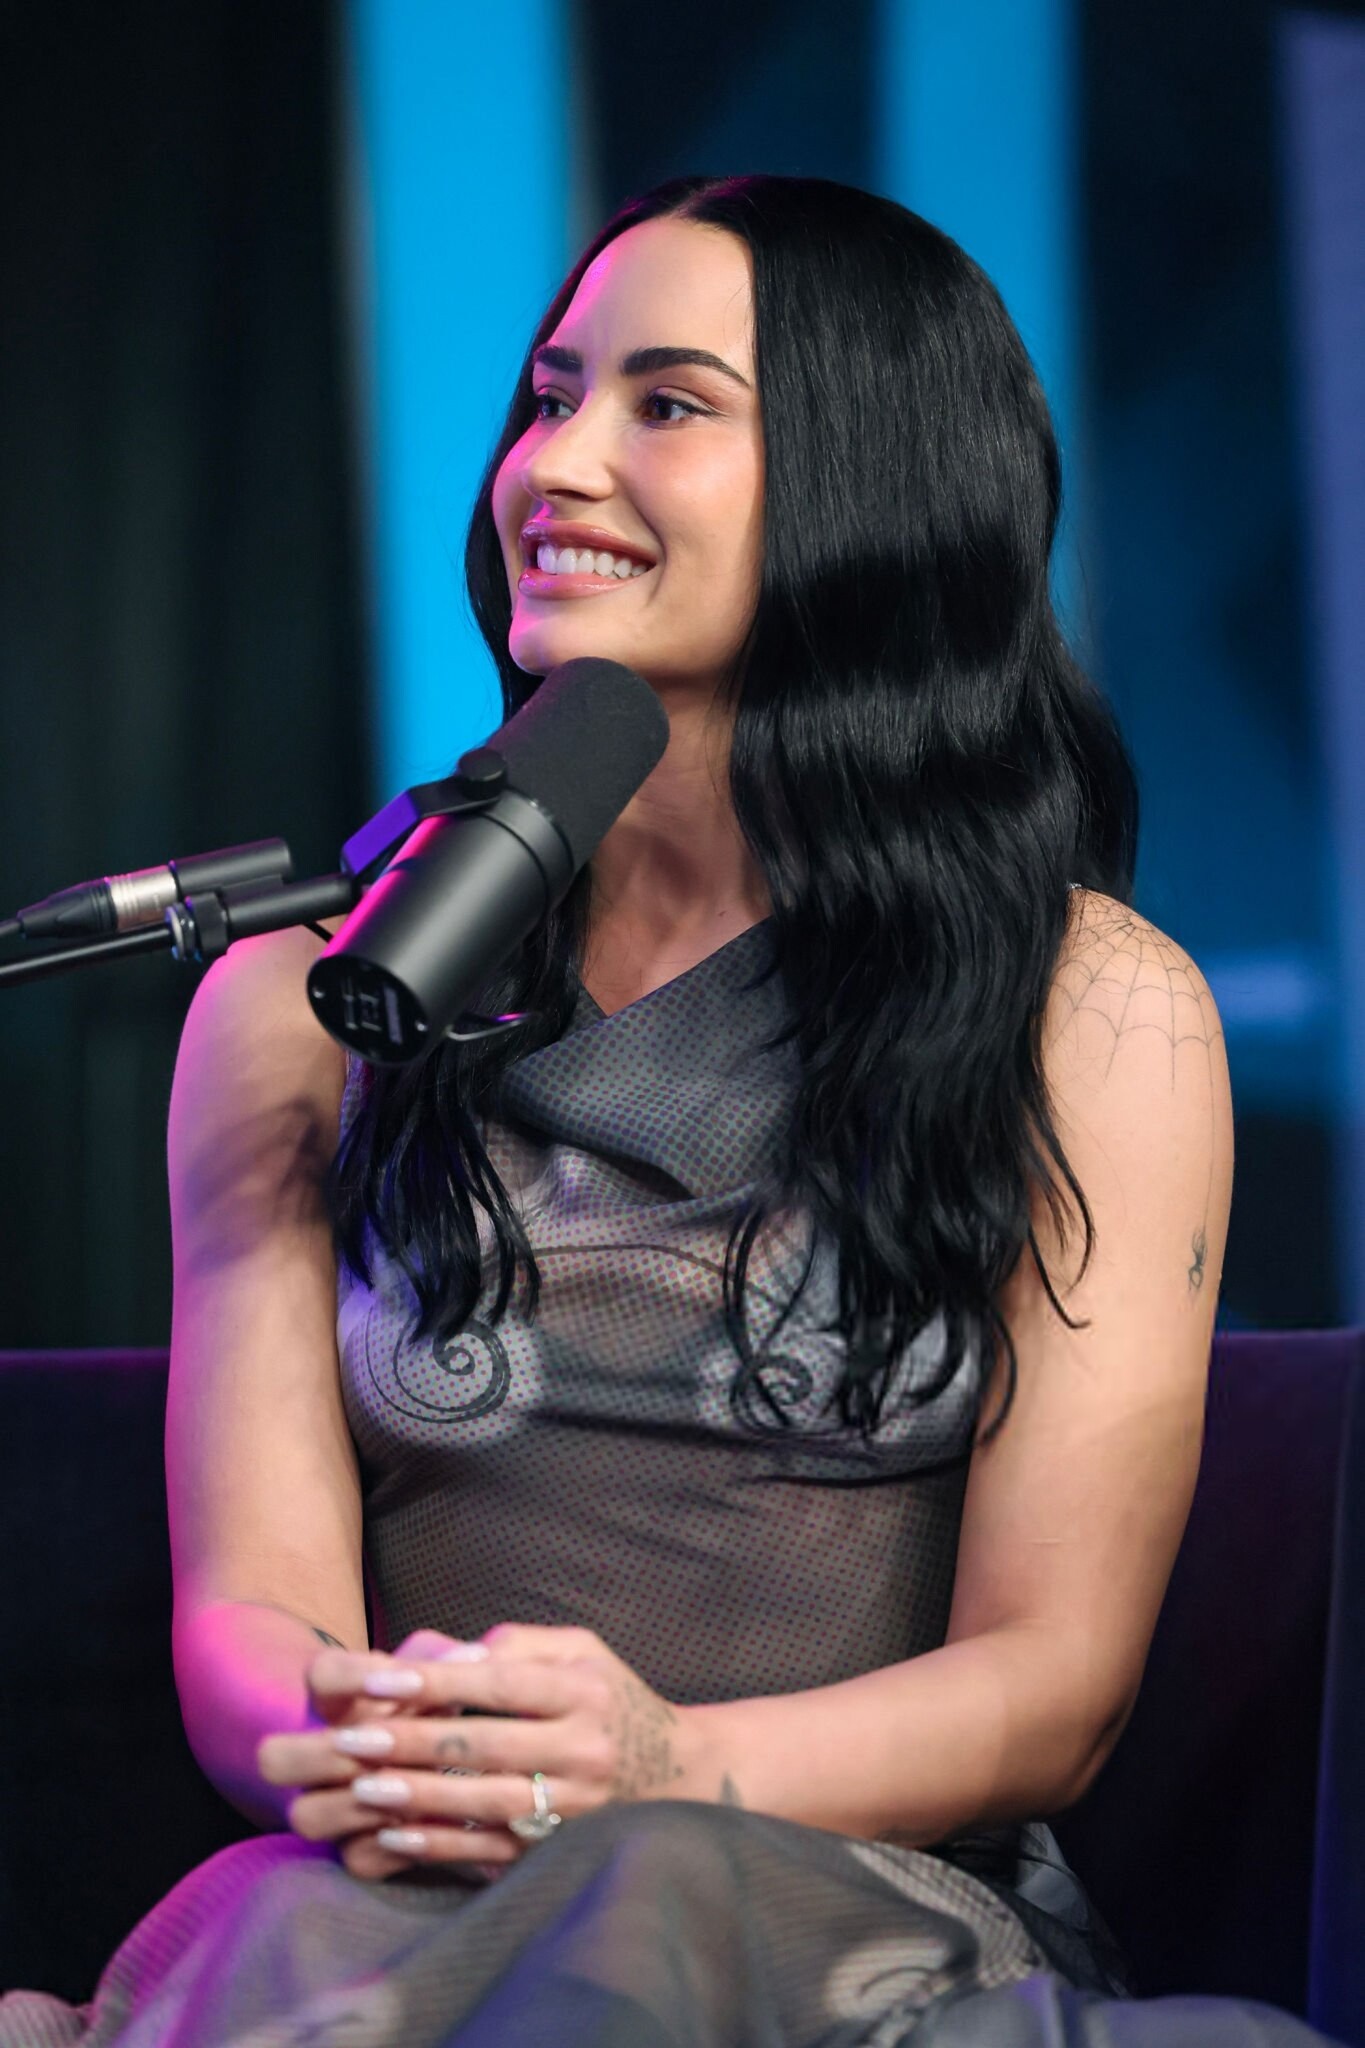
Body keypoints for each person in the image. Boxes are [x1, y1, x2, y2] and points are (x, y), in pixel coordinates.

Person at [0, 173, 1330, 2048]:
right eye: (551, 398)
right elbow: (250, 1629)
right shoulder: (301, 1008)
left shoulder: (1089, 1007)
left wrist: (650, 1767)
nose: (555, 466)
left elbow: (1055, 1685)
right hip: (397, 1891)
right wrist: (419, 1752)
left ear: (872, 484)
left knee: (645, 1914)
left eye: (669, 404)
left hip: (832, 1916)